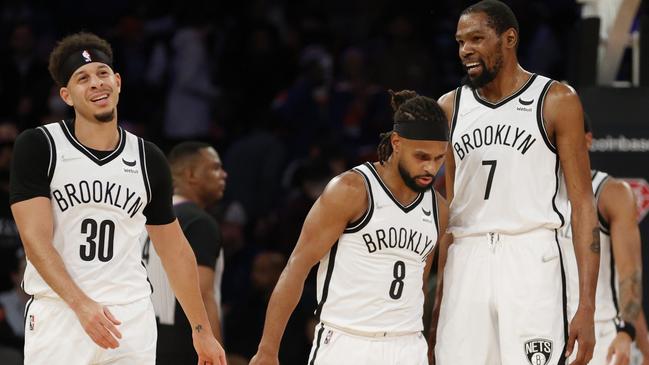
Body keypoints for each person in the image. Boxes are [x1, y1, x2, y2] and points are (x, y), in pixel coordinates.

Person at [9, 32, 226, 365]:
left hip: (131, 316)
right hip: (61, 313)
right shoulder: (39, 146)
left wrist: (202, 330)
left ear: (118, 81)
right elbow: (35, 241)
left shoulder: (148, 157)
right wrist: (82, 305)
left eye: (102, 73)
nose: (96, 83)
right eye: (83, 78)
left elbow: (174, 249)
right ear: (66, 95)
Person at [433, 1, 599, 364]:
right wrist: (438, 300)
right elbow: (451, 208)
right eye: (460, 42)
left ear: (509, 39)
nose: (466, 50)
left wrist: (587, 307)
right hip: (467, 256)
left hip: (530, 255)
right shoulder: (449, 106)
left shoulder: (555, 100)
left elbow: (584, 204)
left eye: (477, 38)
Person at [250, 89, 449, 365]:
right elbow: (296, 267)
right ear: (396, 142)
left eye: (439, 159)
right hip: (347, 342)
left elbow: (420, 286)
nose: (431, 168)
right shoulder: (351, 190)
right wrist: (268, 350)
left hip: (407, 345)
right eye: (422, 157)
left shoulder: (438, 207)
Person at [560, 119, 649, 365]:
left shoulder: (612, 193)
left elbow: (629, 273)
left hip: (599, 330)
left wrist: (627, 332)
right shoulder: (537, 192)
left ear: (588, 140)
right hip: (545, 324)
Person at [141, 141, 227, 364]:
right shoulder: (199, 222)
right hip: (184, 347)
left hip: (142, 342)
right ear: (191, 174)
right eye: (215, 168)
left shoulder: (144, 217)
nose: (223, 174)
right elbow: (203, 293)